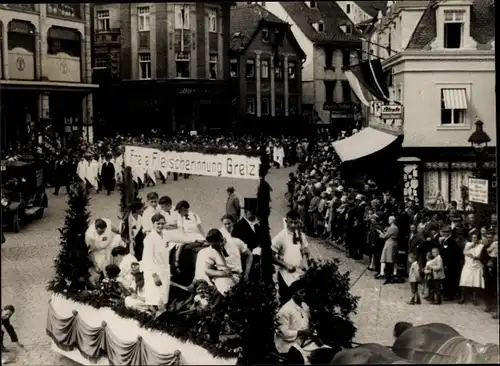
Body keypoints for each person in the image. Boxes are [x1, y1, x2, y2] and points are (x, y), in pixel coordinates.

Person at [141, 213, 194, 312]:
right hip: (153, 271)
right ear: (153, 224)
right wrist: (154, 275)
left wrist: (196, 239)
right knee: (155, 298)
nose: (160, 226)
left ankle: (162, 316)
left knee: (164, 296)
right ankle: (154, 317)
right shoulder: (149, 239)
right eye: (158, 224)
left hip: (164, 270)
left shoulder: (165, 234)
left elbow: (181, 238)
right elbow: (147, 259)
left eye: (162, 224)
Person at [274, 280, 331, 364]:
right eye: (301, 292)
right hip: (288, 344)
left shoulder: (305, 306)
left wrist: (315, 337)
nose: (304, 295)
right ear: (294, 293)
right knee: (307, 361)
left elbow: (310, 326)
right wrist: (301, 332)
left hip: (304, 341)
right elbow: (282, 333)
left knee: (328, 351)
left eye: (305, 292)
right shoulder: (285, 310)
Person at [194, 228, 253, 296]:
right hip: (222, 278)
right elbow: (207, 270)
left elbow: (249, 254)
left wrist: (247, 273)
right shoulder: (211, 249)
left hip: (237, 275)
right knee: (221, 289)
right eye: (212, 245)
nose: (213, 248)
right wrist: (221, 273)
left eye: (215, 245)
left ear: (221, 239)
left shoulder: (235, 242)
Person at [272, 210, 310, 305]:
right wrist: (285, 265)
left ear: (299, 221)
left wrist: (307, 254)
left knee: (300, 303)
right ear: (286, 221)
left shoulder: (301, 236)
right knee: (286, 303)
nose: (293, 225)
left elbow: (305, 253)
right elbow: (270, 256)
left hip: (299, 275)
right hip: (285, 276)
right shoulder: (280, 236)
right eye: (291, 222)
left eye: (296, 222)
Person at [458, 233, 484, 305]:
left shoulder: (481, 246)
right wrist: (470, 248)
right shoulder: (468, 244)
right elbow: (464, 252)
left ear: (478, 238)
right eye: (472, 237)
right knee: (464, 281)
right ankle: (463, 297)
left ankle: (474, 298)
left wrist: (473, 256)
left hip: (477, 265)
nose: (474, 239)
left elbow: (479, 256)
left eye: (475, 237)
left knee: (475, 282)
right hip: (467, 265)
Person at [439, 225, 462, 301]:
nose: (444, 233)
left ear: (449, 233)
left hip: (450, 265)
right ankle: (446, 294)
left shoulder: (452, 241)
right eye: (443, 232)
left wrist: (446, 264)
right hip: (444, 264)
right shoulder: (444, 241)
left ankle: (450, 295)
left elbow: (452, 255)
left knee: (450, 280)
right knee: (445, 280)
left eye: (446, 232)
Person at [376, 215, 399, 285]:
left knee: (387, 259)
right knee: (391, 259)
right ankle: (391, 274)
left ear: (392, 220)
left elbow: (384, 236)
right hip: (394, 244)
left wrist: (380, 232)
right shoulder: (396, 227)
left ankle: (386, 275)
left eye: (389, 219)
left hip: (389, 244)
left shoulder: (391, 228)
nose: (388, 220)